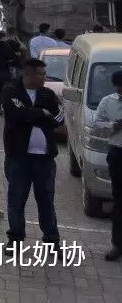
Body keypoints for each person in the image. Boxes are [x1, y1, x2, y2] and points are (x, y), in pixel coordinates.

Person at [1, 59, 65, 246]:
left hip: (45, 159)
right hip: (18, 158)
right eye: (42, 74)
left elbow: (59, 118)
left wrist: (32, 114)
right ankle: (15, 238)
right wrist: (42, 113)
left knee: (46, 201)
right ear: (28, 74)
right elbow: (16, 116)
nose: (45, 78)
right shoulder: (11, 91)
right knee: (16, 199)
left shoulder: (48, 94)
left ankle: (52, 240)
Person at [93, 69, 122, 261]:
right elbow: (97, 125)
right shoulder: (107, 102)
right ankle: (117, 245)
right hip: (118, 153)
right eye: (119, 88)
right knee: (119, 201)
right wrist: (114, 125)